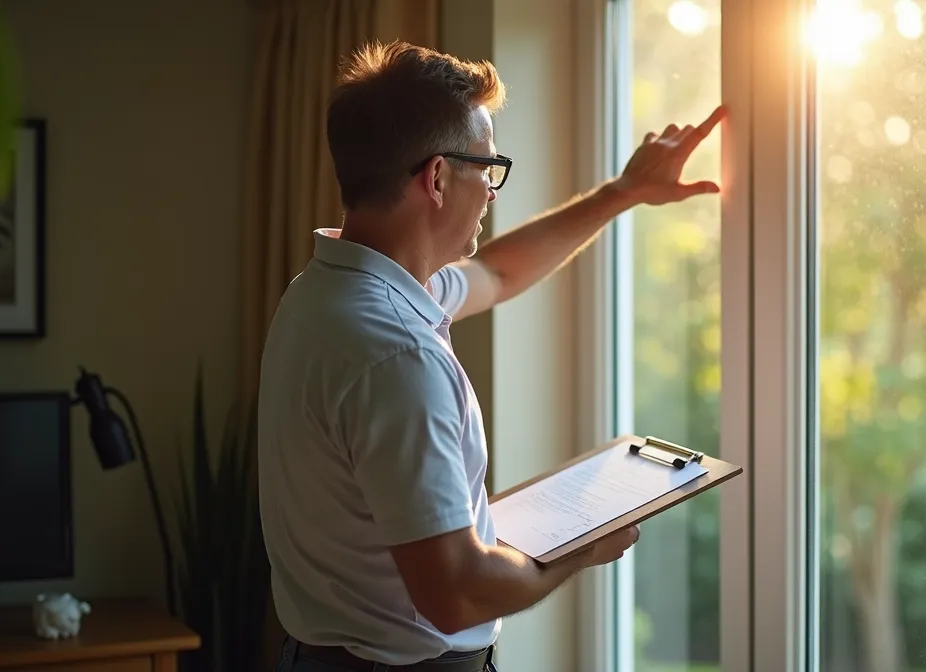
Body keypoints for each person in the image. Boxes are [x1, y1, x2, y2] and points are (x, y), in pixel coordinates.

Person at [258, 40, 724, 672]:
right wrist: (578, 549)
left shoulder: (330, 291)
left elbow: (500, 274)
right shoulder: (396, 351)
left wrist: (624, 191)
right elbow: (456, 594)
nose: (494, 190)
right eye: (489, 166)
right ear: (438, 177)